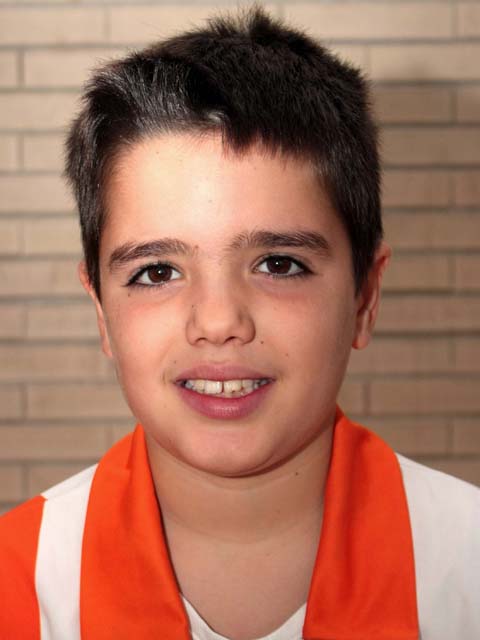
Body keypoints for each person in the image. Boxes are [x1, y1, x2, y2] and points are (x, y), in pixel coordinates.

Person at [1, 6, 479, 640]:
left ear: (365, 296)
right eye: (156, 272)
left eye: (279, 264)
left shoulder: (466, 564)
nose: (219, 321)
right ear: (102, 313)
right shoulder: (19, 579)